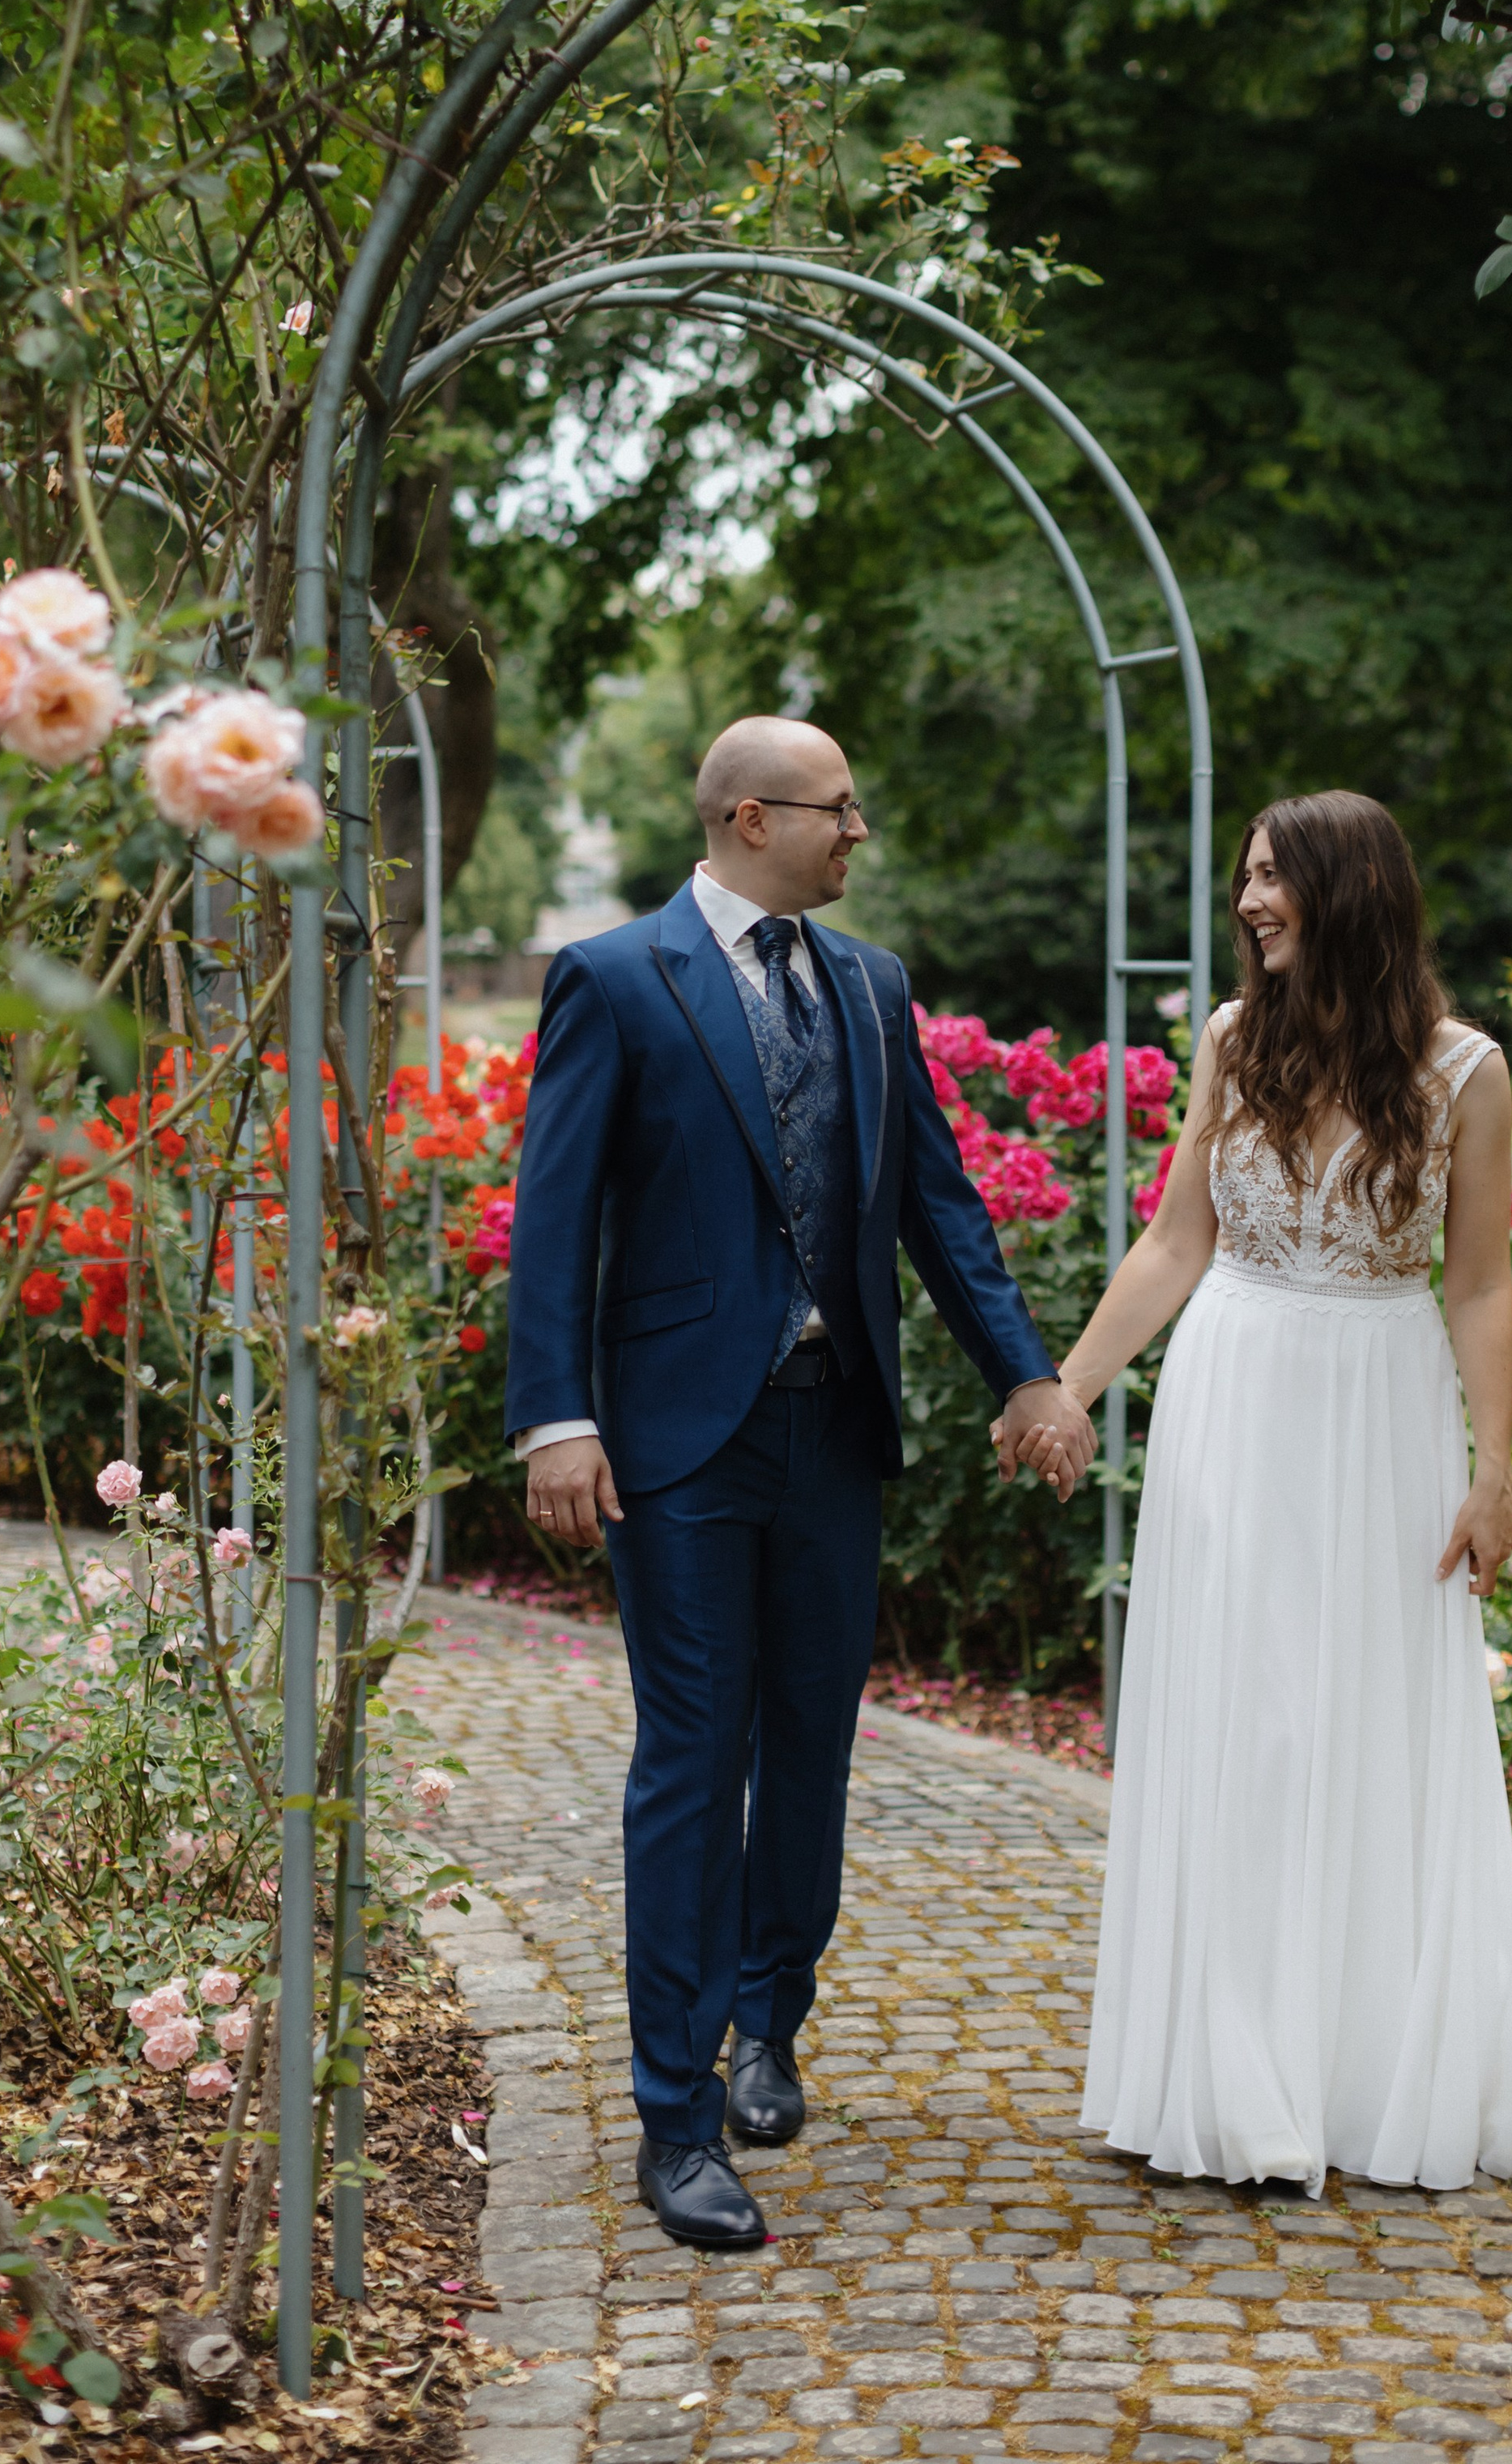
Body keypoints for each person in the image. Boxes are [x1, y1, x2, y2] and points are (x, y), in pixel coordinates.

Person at [505, 715, 1095, 2247]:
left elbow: (938, 1203)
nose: (858, 831)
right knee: (695, 1757)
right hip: (677, 1441)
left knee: (813, 1747)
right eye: (840, 808)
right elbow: (554, 1218)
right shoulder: (614, 978)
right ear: (751, 817)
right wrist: (556, 1417)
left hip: (835, 1430)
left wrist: (1028, 1372)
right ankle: (675, 2112)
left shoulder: (873, 984)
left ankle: (770, 2018)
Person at [1058, 789, 1512, 2193]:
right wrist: (1067, 1389)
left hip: (1383, 1411)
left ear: (1352, 891)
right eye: (1248, 878)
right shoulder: (1231, 1040)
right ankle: (1229, 2074)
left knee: (1360, 1714)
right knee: (1243, 1719)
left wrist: (1493, 1470)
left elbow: (1480, 1284)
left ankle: (1353, 2073)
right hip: (1235, 1392)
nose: (1251, 902)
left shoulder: (1466, 1071)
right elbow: (1174, 1241)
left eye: (1275, 878)